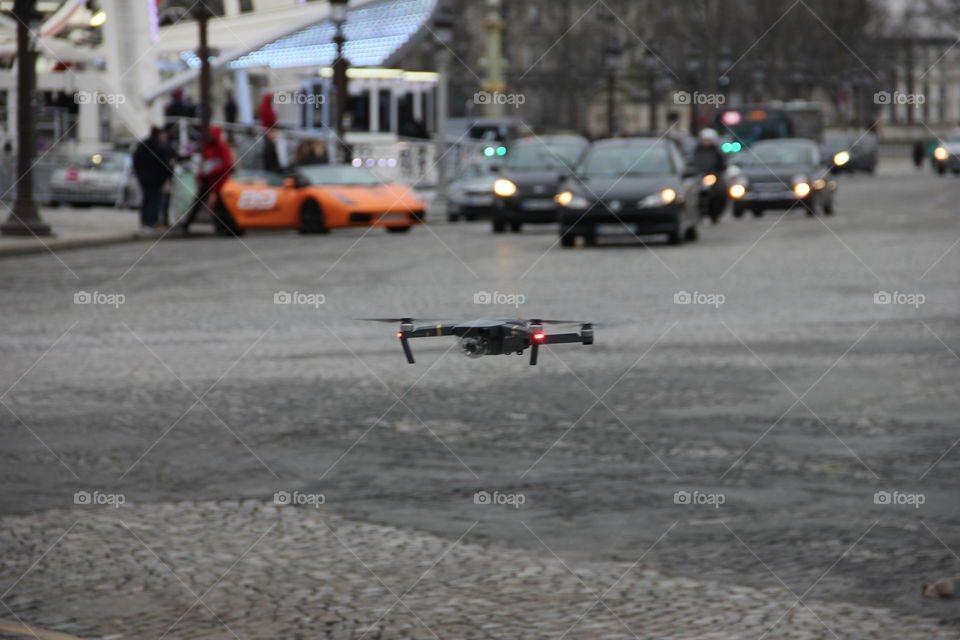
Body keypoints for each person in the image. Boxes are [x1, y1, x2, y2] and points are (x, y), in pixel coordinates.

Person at [177, 126, 234, 236]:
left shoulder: (222, 148)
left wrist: (212, 170)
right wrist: (201, 175)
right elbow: (203, 164)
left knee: (221, 205)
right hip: (207, 181)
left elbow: (227, 165)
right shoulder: (207, 148)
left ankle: (225, 227)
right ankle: (186, 224)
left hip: (219, 182)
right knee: (198, 202)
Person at [132, 127, 173, 231]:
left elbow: (136, 161)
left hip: (144, 178)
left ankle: (145, 221)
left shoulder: (143, 146)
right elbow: (164, 164)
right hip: (156, 179)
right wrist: (168, 175)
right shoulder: (159, 147)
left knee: (146, 199)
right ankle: (151, 221)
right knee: (154, 200)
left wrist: (138, 173)